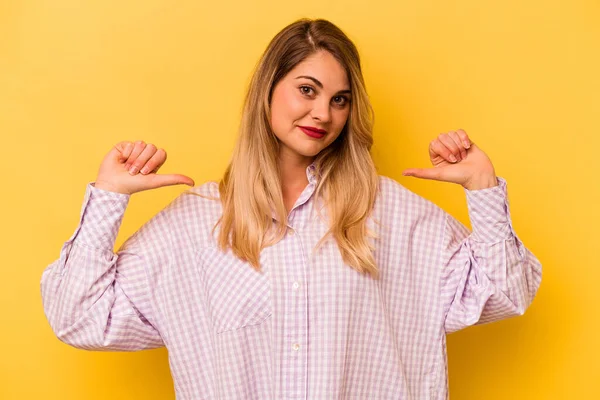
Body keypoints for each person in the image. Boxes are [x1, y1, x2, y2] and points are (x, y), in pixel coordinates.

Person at [40, 18, 542, 399]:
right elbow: (79, 317)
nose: (323, 113)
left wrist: (482, 186)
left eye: (340, 99)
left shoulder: (387, 212)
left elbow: (507, 292)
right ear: (268, 92)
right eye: (307, 89)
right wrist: (109, 198)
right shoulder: (195, 224)